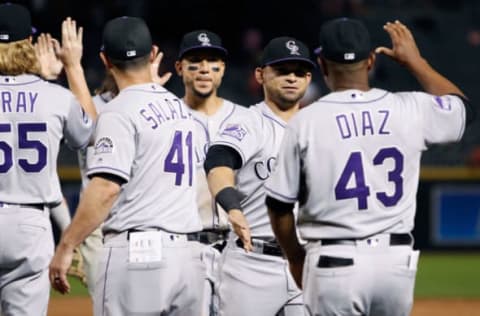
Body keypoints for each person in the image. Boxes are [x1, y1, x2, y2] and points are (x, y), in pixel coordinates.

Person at [265, 18, 474, 316]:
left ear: (322, 64)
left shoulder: (306, 122)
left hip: (334, 263)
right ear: (371, 61)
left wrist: (295, 258)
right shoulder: (410, 108)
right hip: (395, 265)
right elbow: (463, 110)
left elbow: (279, 205)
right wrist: (416, 62)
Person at [49, 16, 205, 315]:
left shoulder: (119, 111)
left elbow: (106, 188)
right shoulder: (180, 108)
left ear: (105, 59)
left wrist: (66, 244)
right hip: (187, 255)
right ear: (153, 53)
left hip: (140, 254)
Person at [204, 36, 314, 316]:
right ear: (260, 75)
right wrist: (231, 205)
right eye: (281, 70)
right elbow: (218, 161)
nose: (291, 78)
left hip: (306, 262)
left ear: (309, 78)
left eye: (299, 72)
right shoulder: (250, 122)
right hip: (252, 265)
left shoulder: (319, 127)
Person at [0, 4, 94, 316]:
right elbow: (88, 135)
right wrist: (69, 68)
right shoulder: (54, 96)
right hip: (30, 226)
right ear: (29, 42)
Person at [174, 29, 240, 316]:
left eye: (212, 61)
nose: (204, 68)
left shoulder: (245, 119)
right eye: (195, 60)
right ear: (179, 68)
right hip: (185, 245)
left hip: (237, 249)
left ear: (222, 69)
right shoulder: (167, 117)